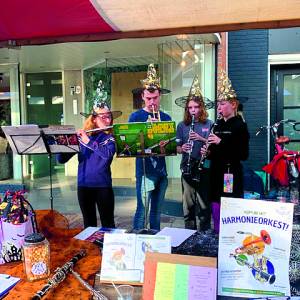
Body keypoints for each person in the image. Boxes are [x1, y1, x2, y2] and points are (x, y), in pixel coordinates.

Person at [57, 80, 121, 228]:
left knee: (108, 223)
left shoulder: (110, 137)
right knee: (89, 224)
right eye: (103, 117)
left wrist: (87, 141)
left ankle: (108, 251)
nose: (108, 119)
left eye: (109, 116)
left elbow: (106, 154)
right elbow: (61, 159)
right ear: (94, 119)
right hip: (84, 186)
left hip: (103, 186)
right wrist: (64, 143)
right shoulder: (85, 136)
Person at [201, 70, 250, 233]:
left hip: (230, 173)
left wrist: (221, 142)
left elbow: (243, 154)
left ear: (233, 104)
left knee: (230, 208)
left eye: (222, 104)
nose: (219, 108)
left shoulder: (240, 125)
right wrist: (208, 152)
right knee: (214, 203)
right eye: (218, 104)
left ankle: (230, 237)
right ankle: (217, 234)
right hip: (215, 171)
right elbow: (215, 151)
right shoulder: (218, 124)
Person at [129, 64, 171, 231]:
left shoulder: (166, 117)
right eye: (149, 99)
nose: (152, 102)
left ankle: (155, 243)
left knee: (157, 213)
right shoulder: (136, 116)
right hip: (145, 172)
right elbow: (131, 146)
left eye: (155, 98)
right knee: (142, 211)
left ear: (160, 96)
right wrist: (145, 129)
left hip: (162, 172)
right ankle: (136, 241)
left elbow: (169, 147)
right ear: (143, 97)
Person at [176, 76, 214, 230]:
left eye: (196, 107)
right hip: (187, 168)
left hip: (204, 168)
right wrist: (182, 148)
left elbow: (213, 148)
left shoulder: (209, 124)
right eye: (190, 108)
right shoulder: (182, 125)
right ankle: (189, 236)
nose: (193, 111)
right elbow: (177, 148)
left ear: (201, 108)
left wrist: (200, 139)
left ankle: (204, 234)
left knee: (204, 205)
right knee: (188, 206)